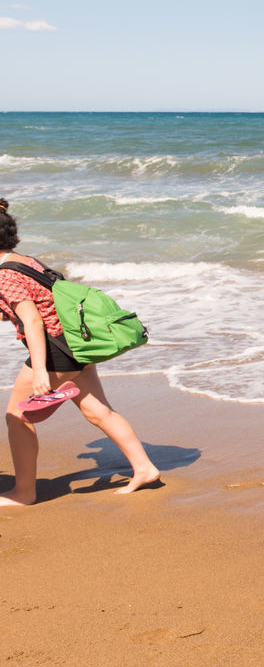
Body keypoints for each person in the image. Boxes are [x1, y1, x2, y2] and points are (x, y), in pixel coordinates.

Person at [0, 198, 159, 505]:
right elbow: (37, 303)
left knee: (17, 415)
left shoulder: (4, 274)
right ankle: (144, 468)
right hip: (75, 342)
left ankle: (23, 493)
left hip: (54, 347)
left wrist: (41, 371)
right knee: (97, 410)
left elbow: (33, 319)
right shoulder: (23, 261)